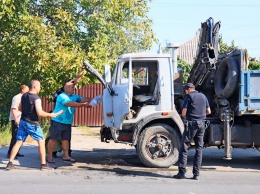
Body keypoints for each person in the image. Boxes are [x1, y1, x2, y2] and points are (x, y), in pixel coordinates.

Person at [6, 80, 63, 170]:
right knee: (41, 141)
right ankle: (43, 164)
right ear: (35, 87)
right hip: (32, 123)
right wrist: (51, 115)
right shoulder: (36, 98)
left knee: (19, 141)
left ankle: (10, 163)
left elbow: (20, 108)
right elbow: (40, 112)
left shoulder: (24, 96)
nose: (40, 88)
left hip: (23, 122)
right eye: (39, 86)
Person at [47, 81, 100, 163]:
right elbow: (70, 104)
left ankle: (66, 156)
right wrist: (82, 105)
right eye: (72, 87)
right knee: (53, 139)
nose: (74, 88)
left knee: (66, 139)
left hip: (67, 122)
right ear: (67, 87)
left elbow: (84, 99)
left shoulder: (74, 96)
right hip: (57, 121)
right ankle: (50, 156)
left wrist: (96, 99)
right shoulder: (62, 96)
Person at [173, 83, 211, 180]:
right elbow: (209, 111)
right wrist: (200, 115)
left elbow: (184, 113)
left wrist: (189, 117)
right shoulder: (203, 96)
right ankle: (196, 174)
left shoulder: (189, 96)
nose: (185, 92)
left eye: (186, 90)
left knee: (184, 148)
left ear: (189, 89)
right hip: (202, 124)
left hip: (192, 124)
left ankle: (181, 173)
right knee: (199, 149)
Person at [49, 66, 85, 158]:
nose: (73, 85)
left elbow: (76, 79)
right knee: (54, 137)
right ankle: (52, 153)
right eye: (71, 84)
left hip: (65, 118)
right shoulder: (61, 93)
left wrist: (82, 70)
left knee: (65, 138)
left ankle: (66, 153)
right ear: (66, 84)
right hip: (58, 115)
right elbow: (63, 103)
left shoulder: (70, 92)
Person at [7, 84, 29, 158]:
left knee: (20, 136)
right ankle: (10, 153)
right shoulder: (17, 97)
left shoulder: (24, 98)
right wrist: (16, 119)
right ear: (22, 90)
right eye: (27, 90)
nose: (28, 91)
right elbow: (13, 109)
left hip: (21, 119)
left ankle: (16, 152)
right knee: (15, 136)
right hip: (16, 119)